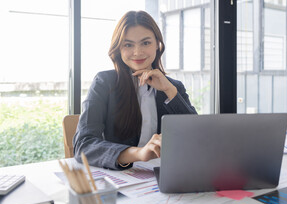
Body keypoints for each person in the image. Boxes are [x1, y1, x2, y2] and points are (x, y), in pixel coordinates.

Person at [73, 11, 197, 170]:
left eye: (146, 43)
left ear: (157, 45)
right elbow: (84, 145)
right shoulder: (104, 82)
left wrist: (169, 90)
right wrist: (139, 154)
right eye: (128, 44)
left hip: (162, 174)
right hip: (120, 175)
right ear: (119, 49)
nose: (137, 52)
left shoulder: (174, 87)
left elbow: (196, 139)